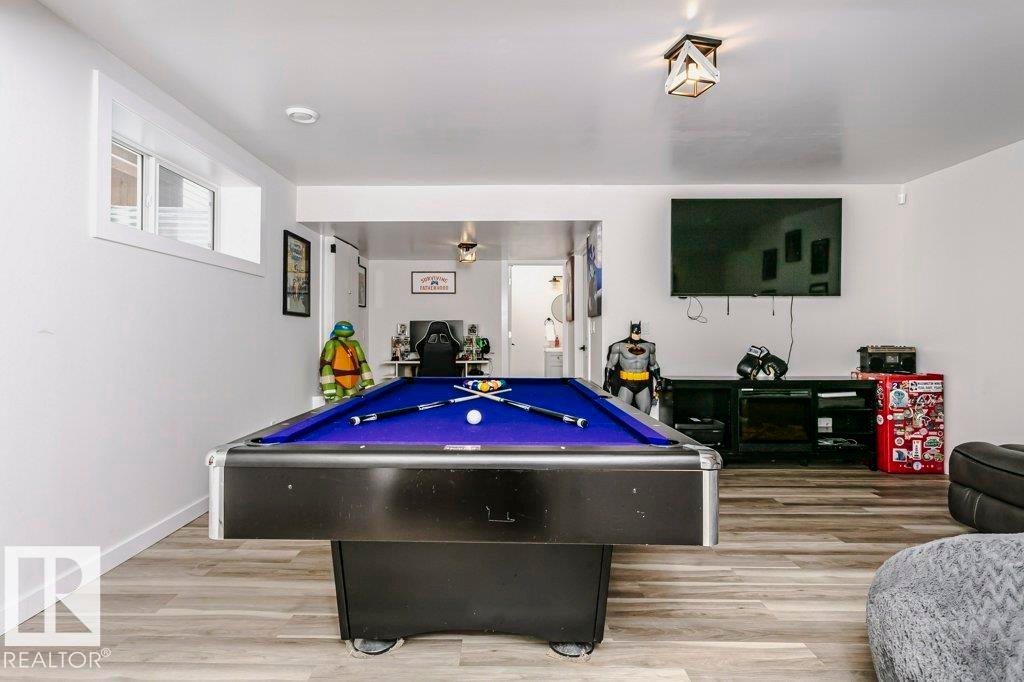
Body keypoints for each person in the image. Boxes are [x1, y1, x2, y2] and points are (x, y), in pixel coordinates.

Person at [604, 321, 660, 414]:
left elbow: (653, 364)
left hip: (643, 383)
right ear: (631, 331)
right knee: (622, 412)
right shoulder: (619, 346)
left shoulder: (649, 347)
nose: (636, 334)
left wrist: (658, 380)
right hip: (627, 383)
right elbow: (610, 364)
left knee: (645, 414)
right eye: (634, 332)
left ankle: (642, 429)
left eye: (638, 332)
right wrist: (606, 381)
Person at [319, 321, 374, 401]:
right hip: (337, 381)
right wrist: (328, 385)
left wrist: (368, 380)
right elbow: (326, 364)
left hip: (352, 382)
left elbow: (362, 362)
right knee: (336, 403)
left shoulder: (355, 344)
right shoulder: (332, 343)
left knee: (356, 402)